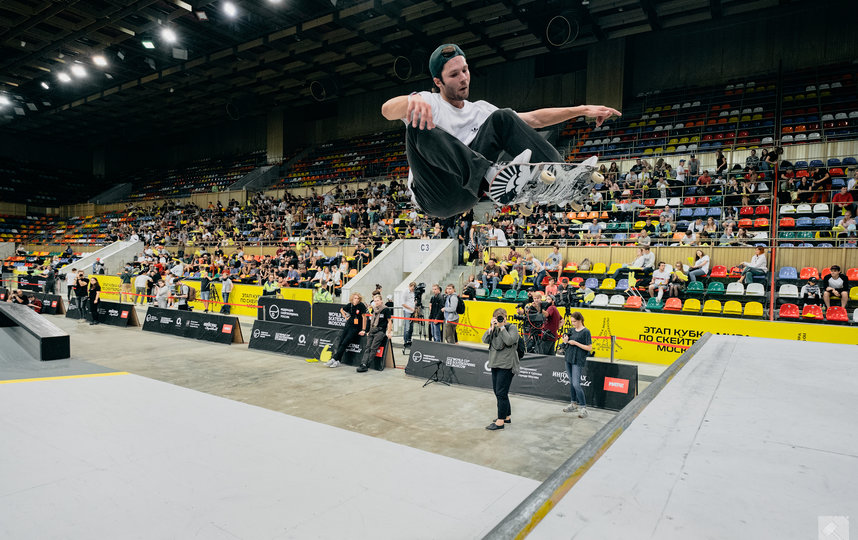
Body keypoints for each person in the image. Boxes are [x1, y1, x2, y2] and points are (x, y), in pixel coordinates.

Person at [380, 43, 620, 218]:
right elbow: (387, 110)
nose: (463, 78)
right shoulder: (428, 101)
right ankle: (487, 173)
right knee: (416, 126)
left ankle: (559, 175)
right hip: (436, 195)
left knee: (503, 116)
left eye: (465, 70)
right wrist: (412, 98)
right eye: (454, 75)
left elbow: (534, 119)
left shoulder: (480, 109)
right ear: (438, 82)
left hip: (470, 191)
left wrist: (581, 109)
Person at [482, 307, 520, 431]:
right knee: (498, 391)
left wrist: (502, 327)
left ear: (505, 317)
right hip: (495, 363)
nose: (499, 319)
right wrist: (491, 328)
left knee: (501, 393)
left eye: (501, 317)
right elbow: (484, 340)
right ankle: (506, 416)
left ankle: (500, 421)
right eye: (496, 317)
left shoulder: (512, 328)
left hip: (507, 365)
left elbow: (509, 341)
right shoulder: (494, 328)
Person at [561, 311, 592, 419]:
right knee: (572, 383)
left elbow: (589, 348)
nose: (573, 323)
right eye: (572, 321)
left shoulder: (586, 332)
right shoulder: (571, 330)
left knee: (576, 384)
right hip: (569, 358)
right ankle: (573, 403)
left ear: (580, 320)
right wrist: (565, 341)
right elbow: (566, 343)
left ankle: (583, 407)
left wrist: (575, 343)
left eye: (574, 321)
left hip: (578, 360)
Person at [327, 292, 367, 368]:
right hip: (348, 325)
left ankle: (334, 358)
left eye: (358, 298)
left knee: (345, 342)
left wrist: (363, 329)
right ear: (352, 299)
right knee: (341, 341)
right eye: (355, 298)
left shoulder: (361, 306)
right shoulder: (350, 305)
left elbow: (364, 318)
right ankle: (338, 361)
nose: (357, 300)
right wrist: (345, 317)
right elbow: (341, 310)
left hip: (356, 327)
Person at [356, 294, 394, 373]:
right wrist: (367, 331)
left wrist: (389, 332)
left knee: (373, 348)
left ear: (381, 301)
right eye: (375, 301)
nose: (376, 302)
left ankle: (367, 365)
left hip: (380, 331)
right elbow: (370, 321)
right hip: (372, 330)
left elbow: (389, 322)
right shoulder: (374, 309)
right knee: (367, 347)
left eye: (377, 300)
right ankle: (363, 363)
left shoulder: (386, 309)